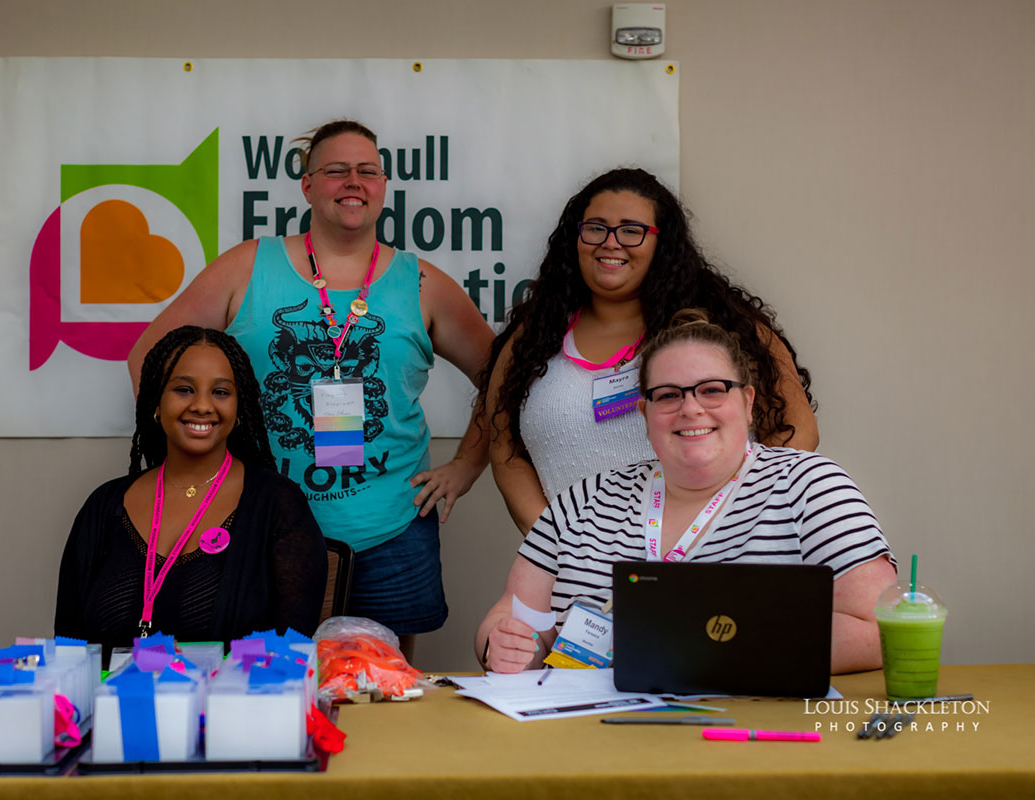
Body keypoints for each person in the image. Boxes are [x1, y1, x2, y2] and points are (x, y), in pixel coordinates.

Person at [127, 120, 494, 655]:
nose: (354, 181)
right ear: (307, 184)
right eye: (336, 170)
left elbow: (503, 380)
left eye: (367, 170)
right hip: (259, 523)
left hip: (391, 527)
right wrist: (193, 467)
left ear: (384, 185)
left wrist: (465, 466)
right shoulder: (248, 265)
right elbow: (149, 358)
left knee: (382, 690)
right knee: (261, 686)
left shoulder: (423, 283)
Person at [476, 310, 896, 675]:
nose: (691, 408)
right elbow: (510, 618)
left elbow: (882, 628)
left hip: (748, 741)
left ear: (748, 402)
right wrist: (504, 648)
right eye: (668, 395)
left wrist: (712, 648)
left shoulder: (810, 487)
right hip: (589, 740)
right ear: (645, 412)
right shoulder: (582, 501)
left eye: (712, 389)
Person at [486, 168, 819, 535]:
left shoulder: (722, 325)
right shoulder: (532, 337)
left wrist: (728, 527)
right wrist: (560, 550)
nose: (611, 242)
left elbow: (797, 430)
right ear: (575, 238)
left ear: (663, 243)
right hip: (575, 574)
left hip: (711, 561)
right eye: (596, 227)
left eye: (632, 230)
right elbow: (506, 452)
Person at [56, 326, 328, 650]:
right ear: (157, 403)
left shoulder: (277, 505)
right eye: (184, 389)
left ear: (239, 409)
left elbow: (290, 651)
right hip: (113, 699)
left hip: (232, 700)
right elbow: (69, 648)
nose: (202, 405)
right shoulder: (104, 506)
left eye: (221, 392)